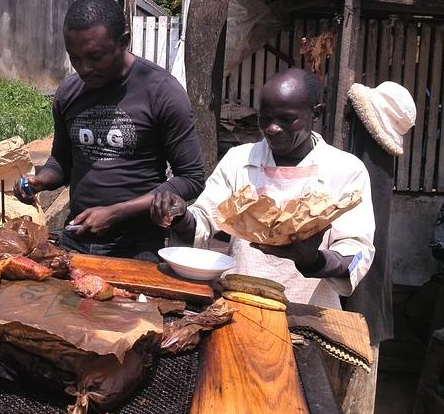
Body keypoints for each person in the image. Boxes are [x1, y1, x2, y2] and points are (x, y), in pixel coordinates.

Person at [151, 68, 375, 309]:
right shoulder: (239, 161)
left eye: (286, 119)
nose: (272, 128)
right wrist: (181, 215)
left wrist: (312, 260)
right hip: (236, 304)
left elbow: (357, 254)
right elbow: (204, 219)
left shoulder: (345, 169)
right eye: (265, 118)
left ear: (316, 114)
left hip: (308, 313)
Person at [15, 0, 205, 261]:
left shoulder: (161, 91)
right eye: (75, 57)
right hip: (75, 237)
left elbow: (192, 178)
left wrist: (117, 212)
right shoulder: (69, 92)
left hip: (137, 247)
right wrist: (40, 181)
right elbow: (62, 161)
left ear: (123, 42)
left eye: (95, 56)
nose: (84, 68)